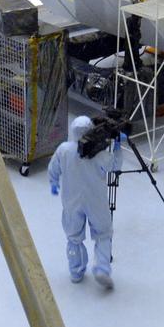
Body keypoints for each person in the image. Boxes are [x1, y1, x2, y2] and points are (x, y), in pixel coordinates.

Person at [47, 116, 123, 287]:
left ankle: (76, 271)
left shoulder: (64, 149)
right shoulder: (100, 154)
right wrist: (118, 147)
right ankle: (102, 268)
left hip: (71, 200)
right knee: (103, 234)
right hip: (96, 200)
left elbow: (53, 168)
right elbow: (115, 166)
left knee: (73, 237)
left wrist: (53, 183)